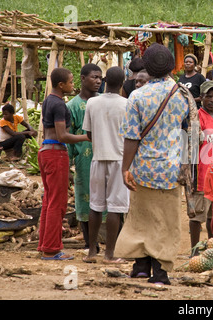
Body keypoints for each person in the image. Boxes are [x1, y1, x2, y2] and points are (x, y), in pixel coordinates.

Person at [114, 43, 197, 284]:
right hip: (172, 169)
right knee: (167, 222)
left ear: (147, 68)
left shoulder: (137, 96)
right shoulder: (183, 95)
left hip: (143, 168)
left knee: (141, 218)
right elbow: (189, 133)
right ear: (172, 66)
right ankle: (160, 273)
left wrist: (125, 168)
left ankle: (141, 266)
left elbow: (132, 137)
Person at [37, 67, 90, 260]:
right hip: (55, 153)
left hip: (45, 152)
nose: (73, 84)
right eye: (71, 81)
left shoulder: (49, 100)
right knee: (57, 204)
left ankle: (45, 244)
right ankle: (51, 249)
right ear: (61, 85)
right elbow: (62, 136)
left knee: (48, 202)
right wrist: (87, 137)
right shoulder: (59, 104)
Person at [82, 66, 130, 264]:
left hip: (98, 158)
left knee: (95, 206)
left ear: (105, 80)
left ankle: (92, 252)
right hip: (119, 159)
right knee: (115, 209)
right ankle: (109, 254)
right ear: (122, 83)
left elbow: (89, 134)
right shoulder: (127, 104)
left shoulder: (92, 103)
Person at [67, 63, 102, 253]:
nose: (98, 81)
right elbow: (67, 137)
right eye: (94, 77)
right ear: (82, 79)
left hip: (106, 157)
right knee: (84, 199)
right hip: (84, 161)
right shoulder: (72, 106)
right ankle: (90, 243)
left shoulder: (104, 101)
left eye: (100, 78)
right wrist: (68, 165)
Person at [188, 81, 213, 255]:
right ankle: (194, 251)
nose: (212, 100)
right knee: (197, 216)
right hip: (201, 173)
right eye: (208, 96)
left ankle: (211, 250)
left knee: (212, 218)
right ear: (201, 97)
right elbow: (192, 143)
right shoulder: (197, 117)